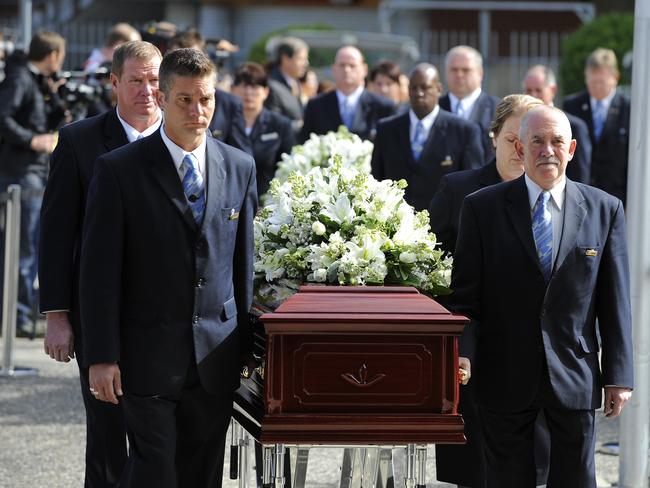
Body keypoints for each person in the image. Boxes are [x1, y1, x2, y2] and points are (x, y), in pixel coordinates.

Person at [80, 47, 257, 488]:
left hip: (214, 359)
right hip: (145, 358)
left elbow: (242, 267)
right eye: (184, 100)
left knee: (201, 475)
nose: (198, 112)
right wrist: (102, 356)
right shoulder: (118, 170)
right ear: (161, 98)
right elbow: (98, 273)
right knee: (154, 473)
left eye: (207, 100)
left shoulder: (240, 166)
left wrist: (246, 353)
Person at [451, 105, 633, 486]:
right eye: (537, 141)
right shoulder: (482, 208)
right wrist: (463, 355)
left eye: (556, 142)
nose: (547, 150)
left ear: (572, 149)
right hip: (504, 374)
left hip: (575, 373)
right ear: (519, 148)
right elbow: (466, 299)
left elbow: (614, 301)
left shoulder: (605, 209)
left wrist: (618, 375)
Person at [39, 40, 162, 487]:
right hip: (98, 314)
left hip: (164, 322)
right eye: (136, 81)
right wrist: (57, 316)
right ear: (114, 83)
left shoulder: (187, 138)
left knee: (161, 439)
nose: (148, 91)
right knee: (108, 436)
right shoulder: (79, 141)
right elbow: (55, 235)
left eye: (154, 81)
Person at [429, 94, 544, 488]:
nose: (521, 149)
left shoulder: (560, 198)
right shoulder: (458, 189)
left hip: (537, 359)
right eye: (513, 137)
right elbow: (429, 269)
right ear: (493, 137)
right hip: (474, 356)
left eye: (530, 139)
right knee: (475, 470)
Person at [0, 31, 66, 334]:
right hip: (22, 170)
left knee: (29, 245)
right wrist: (33, 141)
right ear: (53, 54)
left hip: (34, 170)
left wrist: (54, 95)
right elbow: (4, 118)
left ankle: (21, 314)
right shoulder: (19, 79)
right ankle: (18, 317)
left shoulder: (37, 81)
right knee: (22, 247)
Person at [371, 63, 484, 211]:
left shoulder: (464, 131)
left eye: (425, 87)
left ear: (438, 89)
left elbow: (472, 185)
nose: (419, 93)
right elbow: (377, 180)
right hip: (394, 224)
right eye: (414, 88)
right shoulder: (386, 129)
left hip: (444, 227)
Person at [563, 48, 630, 205]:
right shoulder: (572, 105)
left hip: (616, 198)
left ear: (615, 78)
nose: (596, 87)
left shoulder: (629, 109)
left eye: (602, 81)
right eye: (592, 81)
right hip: (578, 197)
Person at [168, 29, 251, 155]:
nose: (185, 67)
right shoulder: (156, 99)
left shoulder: (228, 104)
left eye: (193, 59)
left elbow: (240, 158)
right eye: (177, 60)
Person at [299, 45, 395, 142]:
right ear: (334, 69)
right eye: (342, 65)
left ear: (364, 70)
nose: (346, 70)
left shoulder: (383, 106)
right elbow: (305, 143)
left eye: (352, 65)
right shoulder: (316, 105)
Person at [232, 62, 294, 198]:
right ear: (233, 90)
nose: (248, 92)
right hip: (230, 203)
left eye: (254, 86)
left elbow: (288, 168)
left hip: (268, 203)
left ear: (265, 92)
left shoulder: (280, 124)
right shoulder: (223, 123)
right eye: (243, 85)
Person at [522, 64, 591, 185]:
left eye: (538, 90)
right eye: (528, 90)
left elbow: (581, 176)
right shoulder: (520, 125)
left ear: (552, 90)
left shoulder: (574, 126)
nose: (533, 95)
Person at [439, 45, 500, 160]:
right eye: (454, 69)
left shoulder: (498, 109)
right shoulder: (435, 108)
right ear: (446, 72)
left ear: (480, 73)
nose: (459, 75)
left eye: (465, 70)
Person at [264, 36, 309, 133]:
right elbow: (273, 123)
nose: (306, 63)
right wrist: (301, 125)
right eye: (301, 59)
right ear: (285, 59)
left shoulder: (295, 82)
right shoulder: (271, 86)